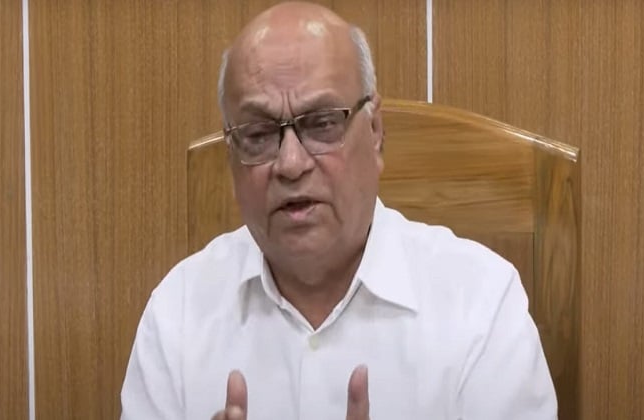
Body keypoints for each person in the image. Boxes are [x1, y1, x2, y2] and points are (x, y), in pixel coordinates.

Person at [120, 2, 557, 419]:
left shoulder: (479, 303)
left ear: (376, 131)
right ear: (231, 155)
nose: (291, 164)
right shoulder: (178, 313)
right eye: (258, 134)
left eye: (322, 123)